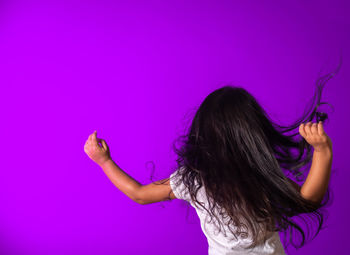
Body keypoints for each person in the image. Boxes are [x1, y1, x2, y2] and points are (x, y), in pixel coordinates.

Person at [84, 84, 333, 255]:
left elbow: (139, 194)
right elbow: (307, 201)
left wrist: (105, 161)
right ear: (253, 134)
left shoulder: (194, 179)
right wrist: (322, 152)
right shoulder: (258, 173)